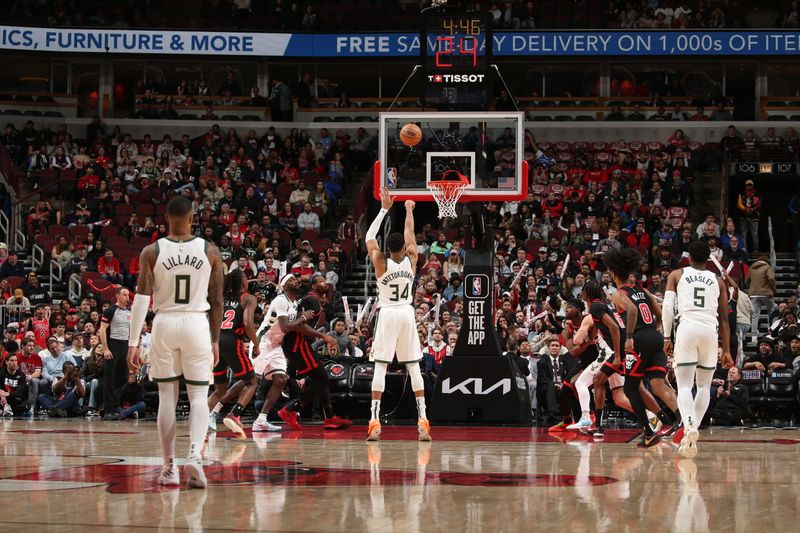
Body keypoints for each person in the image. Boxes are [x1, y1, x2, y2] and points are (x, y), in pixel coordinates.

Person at [126, 195, 225, 489]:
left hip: (165, 322)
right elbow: (217, 300)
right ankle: (194, 454)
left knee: (167, 398)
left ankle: (169, 469)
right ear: (193, 218)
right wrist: (216, 340)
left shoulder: (151, 251)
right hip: (197, 323)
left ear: (166, 219)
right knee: (198, 397)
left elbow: (142, 298)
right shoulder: (211, 250)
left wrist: (133, 342)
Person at [365, 188, 431, 442]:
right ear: (403, 248)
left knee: (380, 366)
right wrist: (408, 210)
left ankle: (374, 420)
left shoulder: (380, 260)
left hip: (388, 313)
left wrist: (384, 208)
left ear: (387, 248)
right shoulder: (411, 259)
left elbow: (370, 235)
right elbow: (410, 234)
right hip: (406, 311)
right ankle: (423, 419)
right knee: (413, 366)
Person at [662, 240, 731, 459]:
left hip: (687, 327)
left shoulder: (677, 274)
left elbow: (667, 308)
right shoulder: (718, 280)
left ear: (688, 257)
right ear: (710, 258)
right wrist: (727, 349)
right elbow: (725, 318)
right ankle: (692, 432)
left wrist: (666, 336)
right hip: (710, 330)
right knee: (703, 386)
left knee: (683, 385)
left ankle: (688, 425)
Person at [605, 247, 680, 448]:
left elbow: (631, 310)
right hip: (655, 337)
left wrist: (630, 337)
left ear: (612, 273)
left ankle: (648, 433)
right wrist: (658, 333)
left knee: (630, 388)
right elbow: (659, 311)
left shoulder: (619, 294)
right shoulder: (642, 290)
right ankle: (680, 420)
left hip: (639, 339)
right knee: (658, 383)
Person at [276, 274, 352, 431]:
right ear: (313, 286)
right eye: (321, 281)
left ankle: (330, 417)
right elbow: (300, 326)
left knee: (320, 378)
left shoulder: (313, 300)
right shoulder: (311, 300)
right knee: (322, 379)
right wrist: (324, 336)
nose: (325, 283)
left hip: (299, 344)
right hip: (297, 344)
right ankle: (290, 410)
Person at [251, 274, 316, 432]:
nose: (296, 281)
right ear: (284, 286)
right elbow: (286, 327)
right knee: (249, 381)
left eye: (296, 279)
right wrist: (302, 317)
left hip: (276, 345)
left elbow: (293, 328)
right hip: (264, 341)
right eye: (292, 279)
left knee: (281, 379)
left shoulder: (294, 303)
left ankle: (261, 420)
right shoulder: (281, 300)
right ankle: (216, 411)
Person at [207, 269, 261, 438]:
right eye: (245, 277)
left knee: (220, 388)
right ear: (242, 282)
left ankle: (202, 420)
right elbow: (247, 323)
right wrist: (256, 344)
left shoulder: (221, 298)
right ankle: (235, 414)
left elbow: (211, 319)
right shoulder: (248, 298)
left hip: (215, 340)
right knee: (252, 381)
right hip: (231, 340)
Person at [98, 287, 132, 420]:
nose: (127, 298)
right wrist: (106, 349)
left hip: (125, 345)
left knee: (122, 379)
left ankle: (115, 407)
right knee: (110, 379)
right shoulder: (110, 311)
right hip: (113, 345)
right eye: (124, 295)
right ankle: (108, 410)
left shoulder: (129, 312)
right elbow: (102, 330)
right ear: (117, 296)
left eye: (128, 296)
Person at [0, 346, 29, 416]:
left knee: (27, 406)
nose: (14, 363)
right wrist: (2, 395)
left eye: (16, 361)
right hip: (3, 399)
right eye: (12, 360)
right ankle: (7, 409)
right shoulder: (1, 373)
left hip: (14, 399)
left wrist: (8, 394)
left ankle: (6, 410)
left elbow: (20, 391)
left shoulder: (21, 375)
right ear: (6, 362)